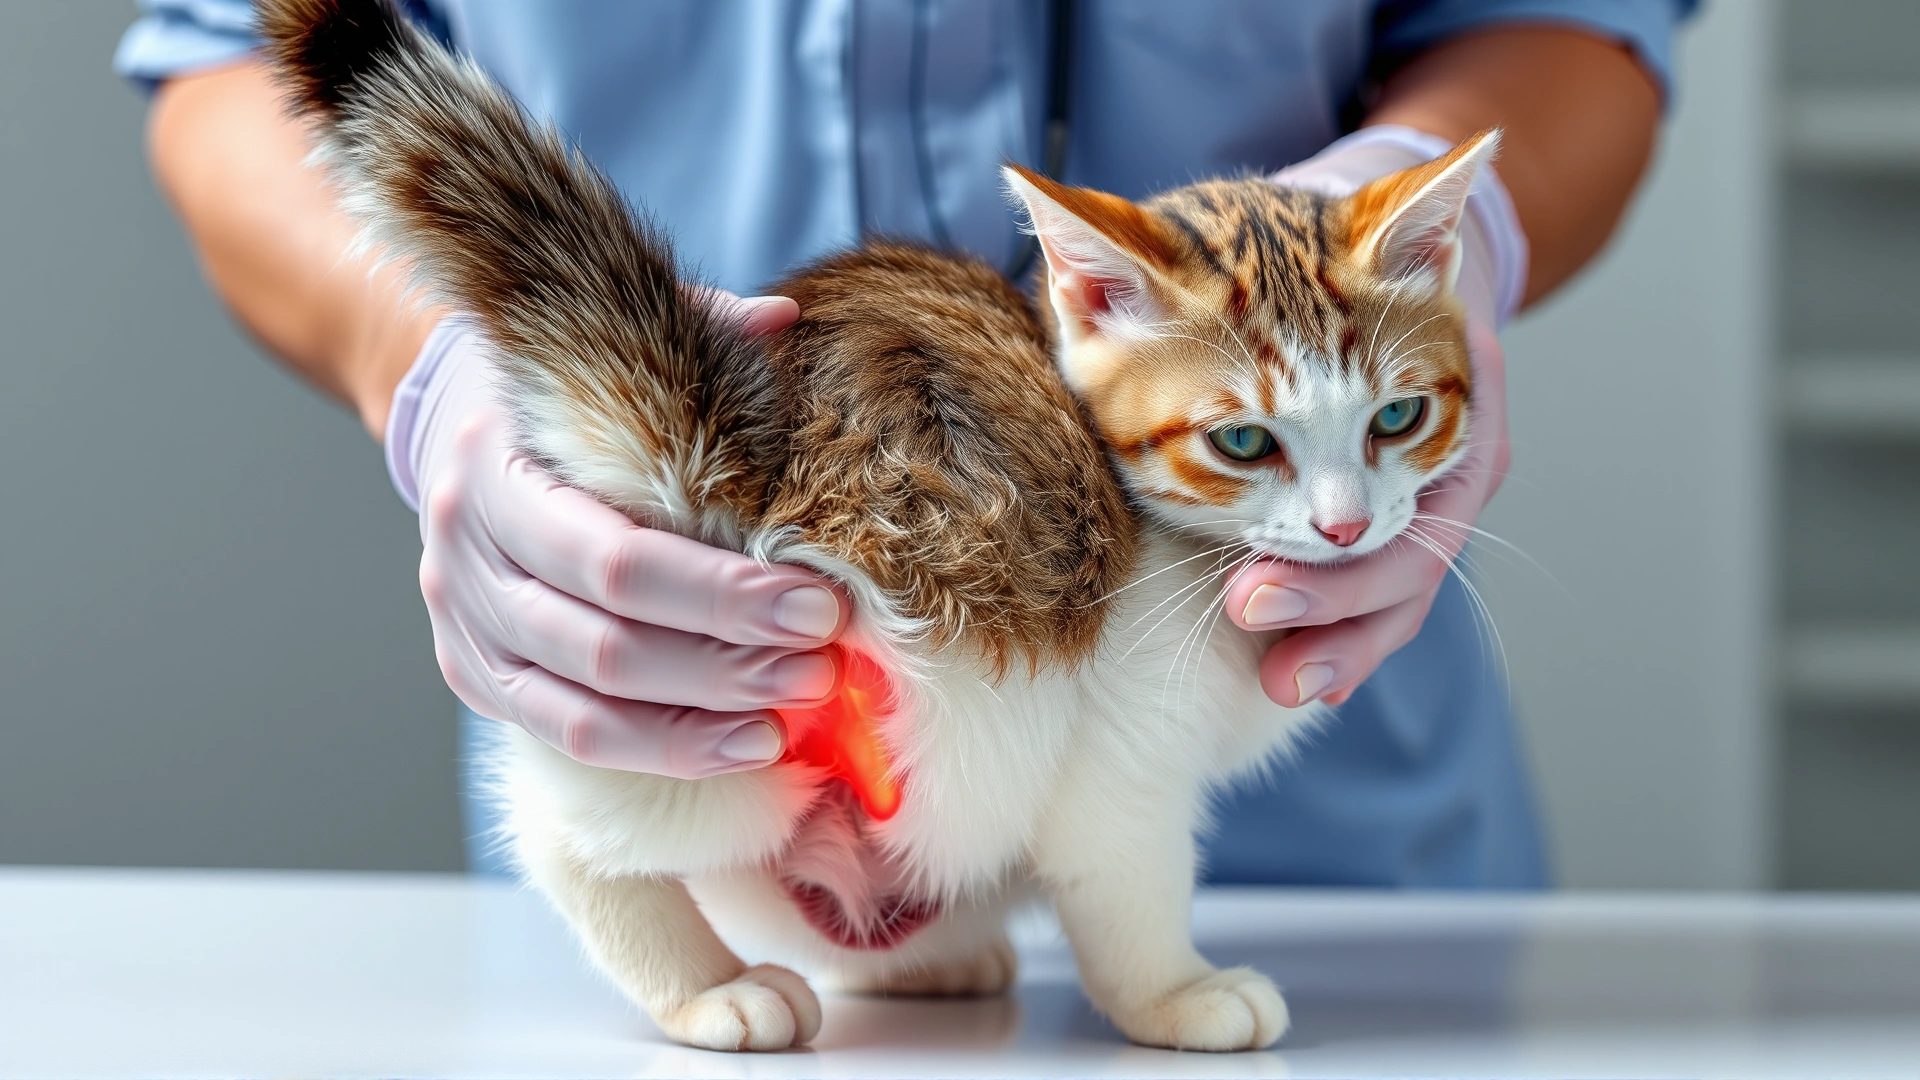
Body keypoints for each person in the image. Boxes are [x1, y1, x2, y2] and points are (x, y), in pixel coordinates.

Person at [119, 0, 1687, 886]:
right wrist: (430, 359)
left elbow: (1578, 28)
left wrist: (1443, 213)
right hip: (700, 757)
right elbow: (239, 64)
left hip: (1337, 868)